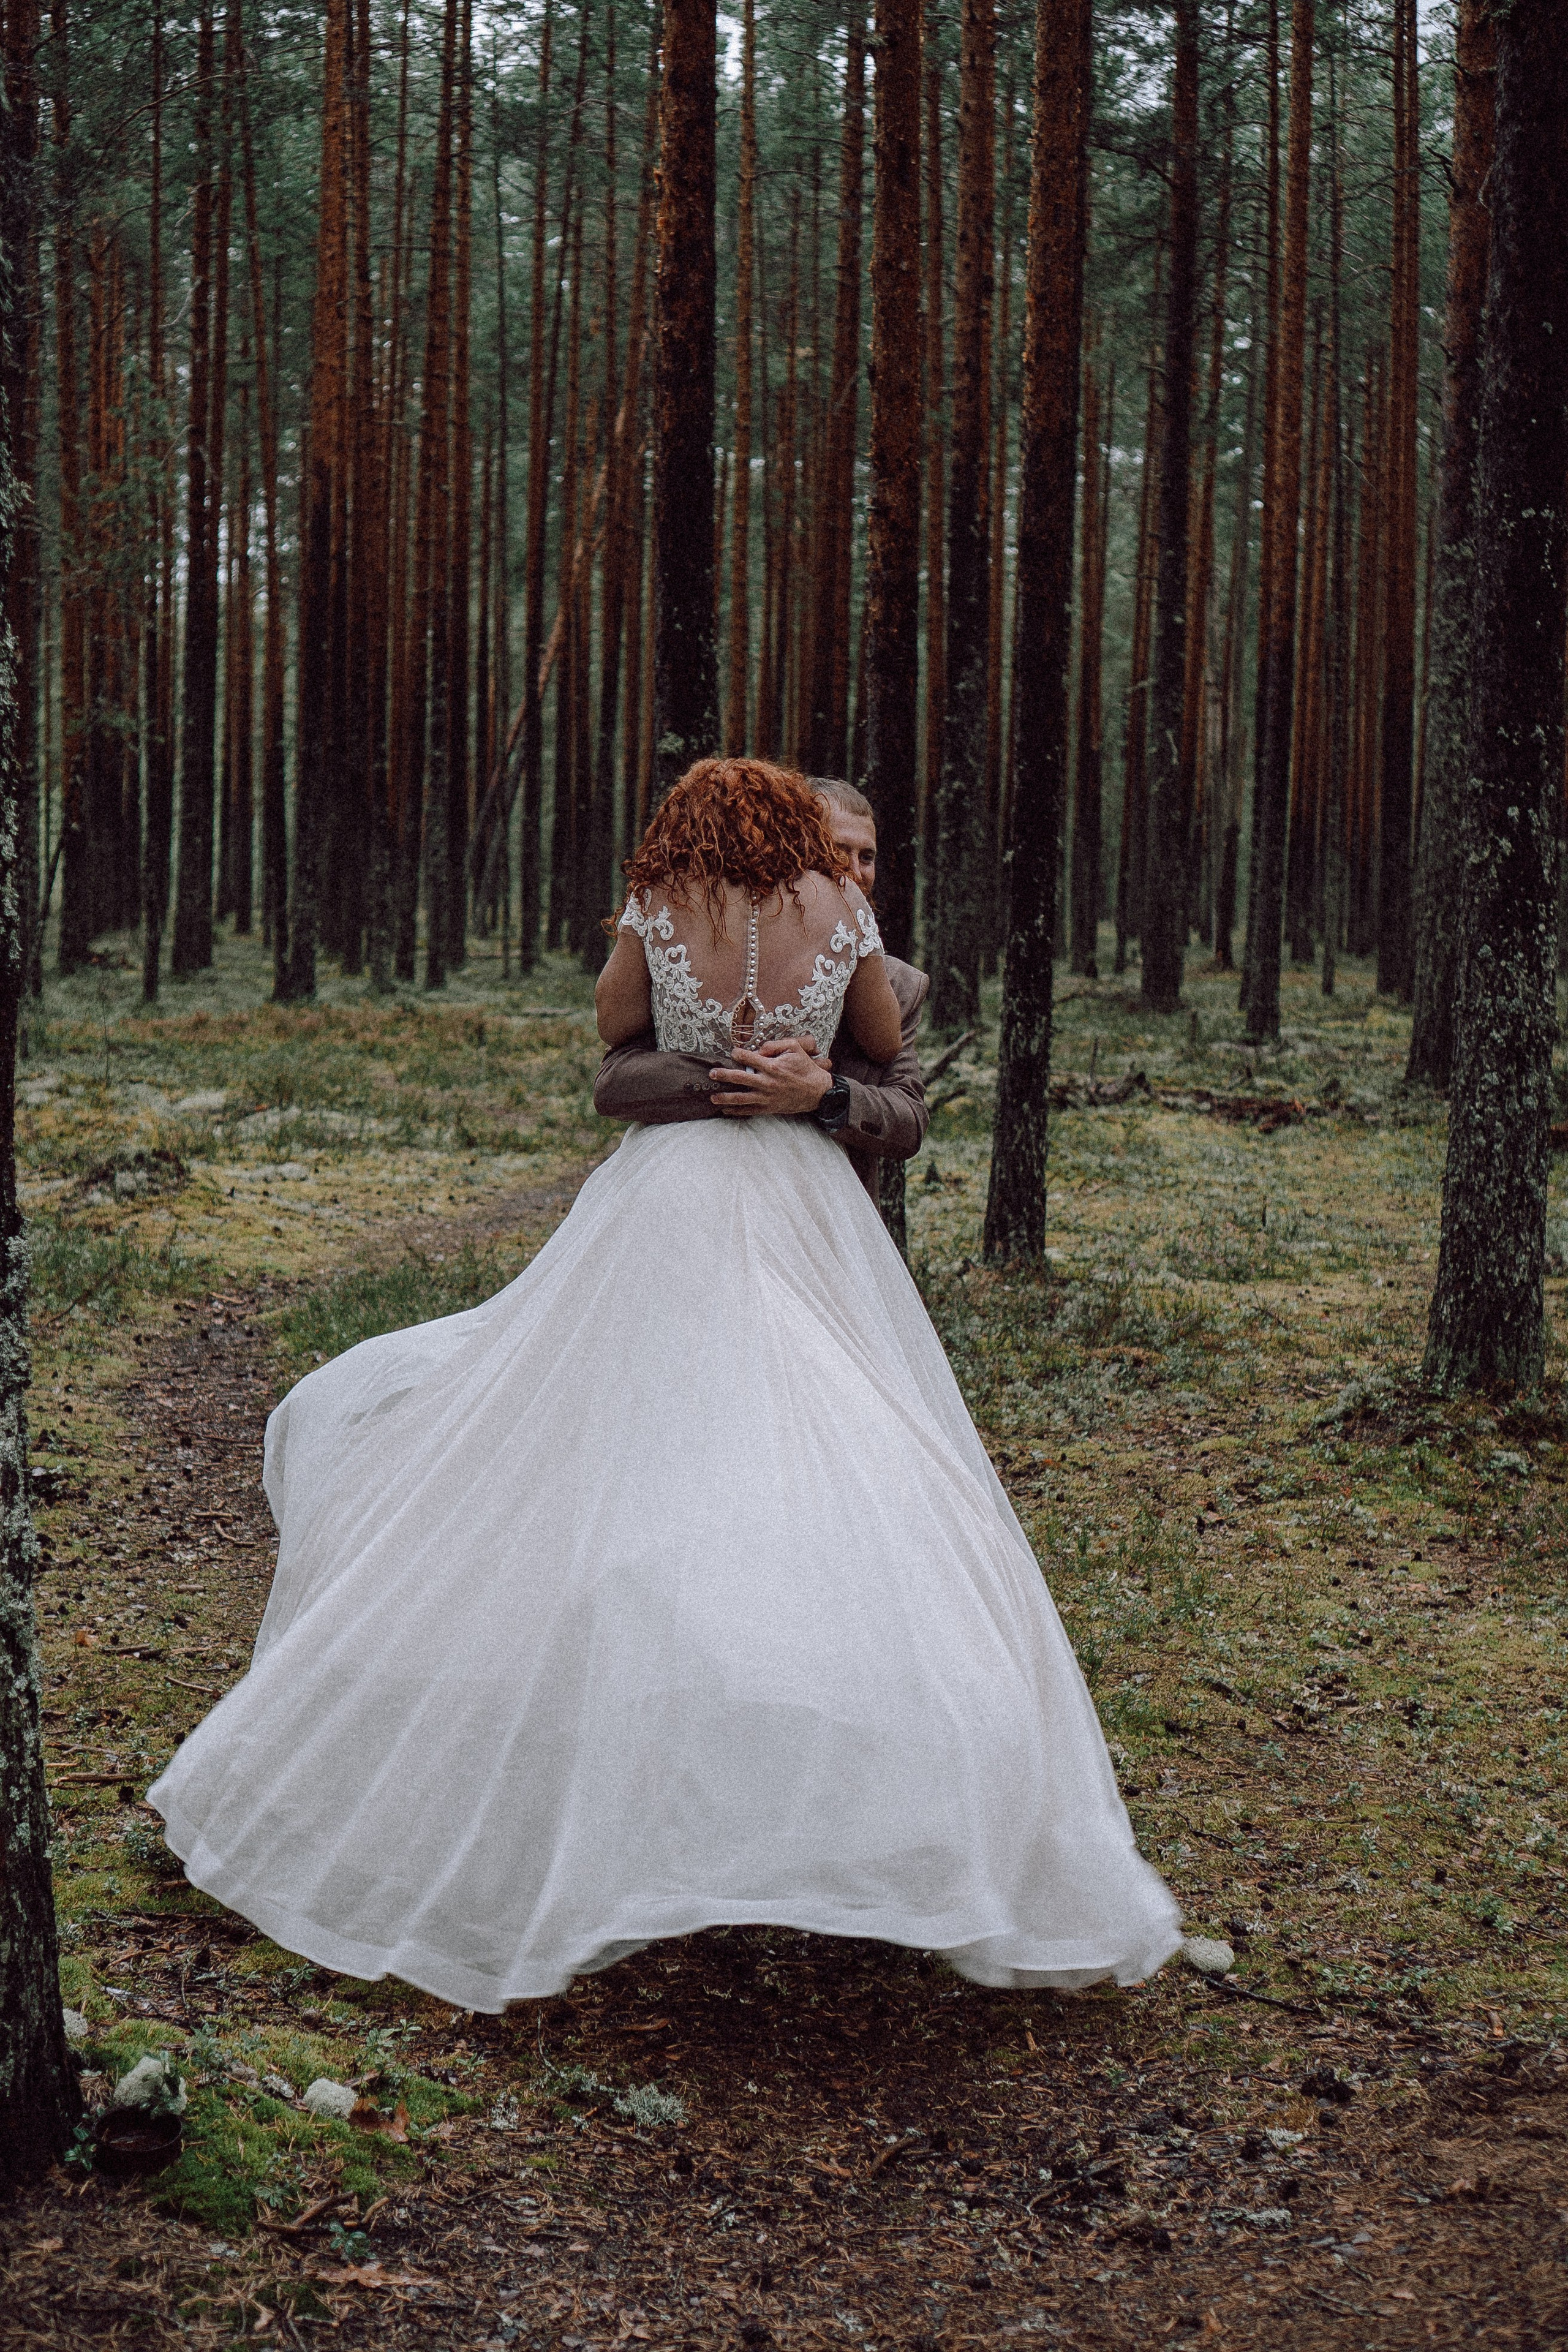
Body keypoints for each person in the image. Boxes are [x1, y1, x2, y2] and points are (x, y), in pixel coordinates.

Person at [149, 757, 1180, 2011]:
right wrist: (769, 1089)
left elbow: (616, 1041)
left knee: (636, 1445)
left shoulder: (662, 904)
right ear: (801, 831)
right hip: (801, 1216)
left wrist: (752, 1084)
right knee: (830, 1457)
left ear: (684, 828)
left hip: (673, 1203)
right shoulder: (840, 923)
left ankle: (708, 1757)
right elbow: (866, 1047)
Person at [594, 780, 927, 1204]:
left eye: (868, 857)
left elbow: (908, 1121)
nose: (855, 872)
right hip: (689, 1192)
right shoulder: (698, 957)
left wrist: (821, 1093)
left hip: (819, 1209)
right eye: (836, 851)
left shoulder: (899, 985)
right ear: (789, 850)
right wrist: (756, 1080)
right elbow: (615, 1083)